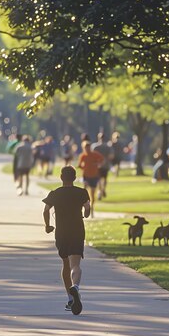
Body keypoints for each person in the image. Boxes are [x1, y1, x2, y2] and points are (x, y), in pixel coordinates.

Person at [42, 166, 91, 315]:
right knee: (75, 264)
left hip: (62, 232)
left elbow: (45, 210)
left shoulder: (55, 193)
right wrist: (85, 213)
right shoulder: (82, 192)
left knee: (65, 264)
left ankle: (70, 299)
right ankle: (75, 286)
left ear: (61, 177)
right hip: (77, 230)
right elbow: (88, 208)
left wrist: (48, 226)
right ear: (75, 178)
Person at [78, 140, 104, 217]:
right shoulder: (83, 156)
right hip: (86, 176)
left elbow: (102, 160)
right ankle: (83, 209)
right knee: (84, 192)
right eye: (85, 148)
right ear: (83, 148)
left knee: (92, 194)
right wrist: (84, 167)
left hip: (94, 176)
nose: (87, 149)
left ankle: (91, 209)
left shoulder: (95, 154)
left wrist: (97, 164)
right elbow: (80, 165)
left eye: (88, 147)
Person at [91, 132, 113, 199]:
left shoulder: (95, 146)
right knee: (105, 178)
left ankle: (100, 190)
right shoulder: (108, 147)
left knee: (99, 179)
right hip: (106, 165)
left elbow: (92, 156)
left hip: (98, 165)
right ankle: (103, 189)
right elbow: (111, 156)